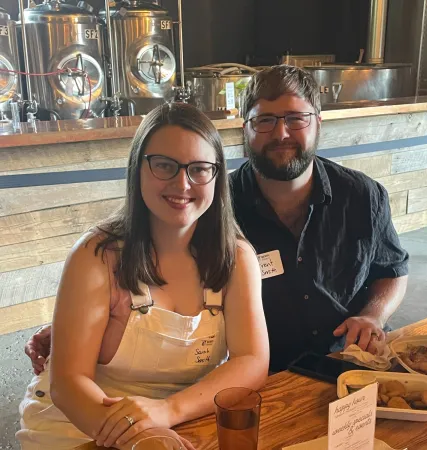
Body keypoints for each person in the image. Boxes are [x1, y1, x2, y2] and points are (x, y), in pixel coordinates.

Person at [26, 65, 409, 376]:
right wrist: (82, 325)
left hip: (354, 364)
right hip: (264, 376)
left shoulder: (363, 196)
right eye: (265, 121)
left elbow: (393, 270)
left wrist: (371, 315)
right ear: (244, 127)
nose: (281, 133)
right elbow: (165, 279)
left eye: (295, 119)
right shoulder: (206, 204)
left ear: (318, 122)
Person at [17, 103, 269, 450]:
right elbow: (69, 383)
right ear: (138, 169)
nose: (182, 183)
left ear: (217, 176)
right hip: (80, 425)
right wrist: (144, 434)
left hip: (185, 417)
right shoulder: (97, 256)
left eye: (199, 169)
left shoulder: (238, 258)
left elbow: (252, 362)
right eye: (165, 165)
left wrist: (167, 412)